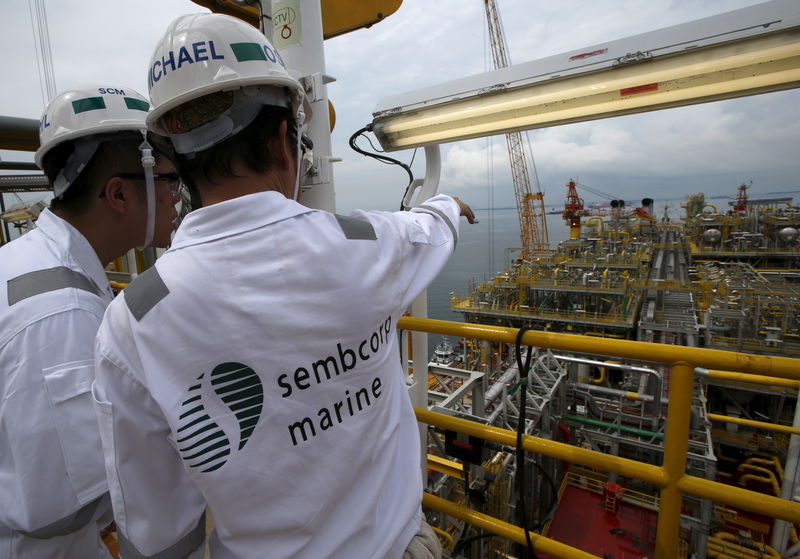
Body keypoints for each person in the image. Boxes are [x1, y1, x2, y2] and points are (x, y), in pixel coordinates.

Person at [92, 13, 475, 559]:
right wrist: (449, 205)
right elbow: (431, 228)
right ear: (281, 139)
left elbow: (157, 528)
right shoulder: (367, 244)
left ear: (173, 158)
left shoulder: (134, 318)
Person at [0, 85, 179, 558]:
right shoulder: (63, 314)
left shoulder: (23, 262)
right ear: (119, 193)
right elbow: (65, 502)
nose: (179, 197)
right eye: (169, 179)